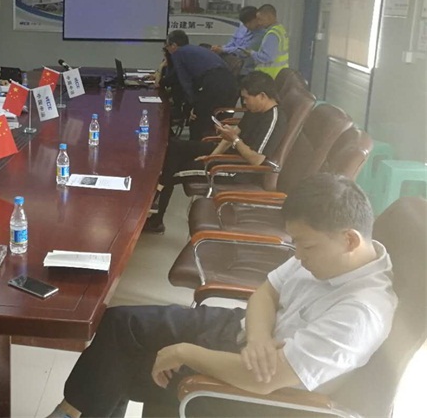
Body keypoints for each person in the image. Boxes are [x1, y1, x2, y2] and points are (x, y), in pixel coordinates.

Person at [50, 174, 396, 418]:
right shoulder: (330, 252)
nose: (299, 257)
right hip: (242, 333)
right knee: (119, 322)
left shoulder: (360, 313)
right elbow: (266, 292)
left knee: (121, 364)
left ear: (350, 240)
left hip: (254, 392)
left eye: (306, 247)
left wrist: (184, 351)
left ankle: (69, 413)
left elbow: (264, 380)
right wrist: (259, 339)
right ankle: (71, 412)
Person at [144, 71, 286, 234]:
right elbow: (232, 135)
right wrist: (212, 157)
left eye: (247, 98)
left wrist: (234, 140)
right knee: (175, 147)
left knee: (175, 170)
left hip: (237, 170)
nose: (245, 103)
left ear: (262, 96)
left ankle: (156, 214)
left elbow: (256, 160)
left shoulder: (273, 119)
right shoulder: (255, 111)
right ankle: (156, 204)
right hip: (230, 154)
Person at [164, 30, 239, 141]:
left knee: (197, 119)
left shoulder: (178, 53)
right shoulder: (196, 50)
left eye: (167, 46)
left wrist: (192, 105)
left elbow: (185, 82)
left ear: (174, 45)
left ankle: (195, 149)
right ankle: (212, 146)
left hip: (214, 84)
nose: (167, 50)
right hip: (231, 83)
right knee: (217, 122)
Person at [211, 6, 265, 77]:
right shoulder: (242, 28)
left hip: (247, 72)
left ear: (257, 18)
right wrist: (220, 47)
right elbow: (232, 42)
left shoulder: (261, 34)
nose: (247, 25)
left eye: (250, 22)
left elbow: (244, 50)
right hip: (233, 67)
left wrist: (223, 49)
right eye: (245, 23)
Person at [251, 4, 289, 78]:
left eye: (260, 19)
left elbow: (267, 57)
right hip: (279, 74)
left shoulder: (272, 34)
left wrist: (251, 53)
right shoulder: (280, 29)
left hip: (270, 75)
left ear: (270, 17)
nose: (259, 23)